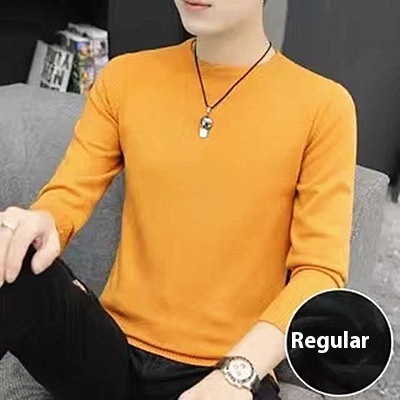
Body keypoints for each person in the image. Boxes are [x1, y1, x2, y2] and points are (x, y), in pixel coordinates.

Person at [0, 0, 357, 399]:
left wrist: (238, 374)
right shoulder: (126, 77)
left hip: (221, 371)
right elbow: (68, 194)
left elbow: (319, 272)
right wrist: (39, 220)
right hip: (111, 351)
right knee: (7, 255)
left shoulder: (323, 106)